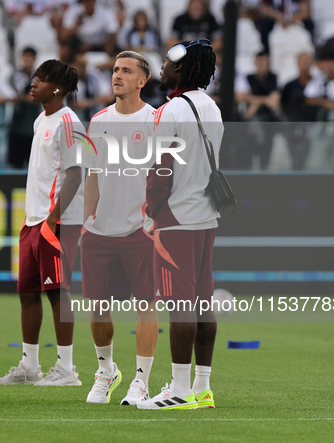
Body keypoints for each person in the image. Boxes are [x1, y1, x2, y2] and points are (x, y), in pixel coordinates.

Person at [137, 39, 222, 411]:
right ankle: (202, 387)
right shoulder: (212, 108)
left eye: (170, 62)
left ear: (183, 70)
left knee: (179, 306)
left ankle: (179, 389)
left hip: (176, 216)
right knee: (202, 302)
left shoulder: (171, 110)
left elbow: (159, 172)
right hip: (206, 215)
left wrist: (151, 213)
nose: (163, 67)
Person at [0, 59, 84, 386]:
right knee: (27, 292)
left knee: (58, 291)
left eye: (41, 79)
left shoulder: (69, 122)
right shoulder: (41, 120)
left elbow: (75, 174)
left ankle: (67, 369)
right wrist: (35, 220)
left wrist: (53, 220)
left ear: (57, 88)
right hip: (34, 221)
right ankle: (30, 367)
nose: (33, 83)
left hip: (57, 222)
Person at [82, 51, 158, 405]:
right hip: (100, 232)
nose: (117, 75)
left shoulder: (156, 120)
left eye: (126, 71)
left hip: (140, 231)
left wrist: (157, 225)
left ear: (142, 81)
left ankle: (141, 381)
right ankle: (106, 371)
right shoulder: (98, 121)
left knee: (147, 306)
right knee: (97, 307)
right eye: (115, 70)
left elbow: (166, 178)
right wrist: (86, 222)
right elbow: (92, 175)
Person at [236, 51, 281, 170]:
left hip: (269, 119)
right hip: (253, 119)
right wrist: (264, 100)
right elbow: (242, 96)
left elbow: (274, 100)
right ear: (255, 62)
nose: (262, 64)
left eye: (264, 62)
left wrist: (255, 101)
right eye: (259, 61)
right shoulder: (249, 77)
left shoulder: (272, 77)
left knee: (267, 147)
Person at [280, 52, 317, 169]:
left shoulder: (318, 83)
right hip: (294, 128)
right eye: (303, 62)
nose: (306, 65)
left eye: (308, 61)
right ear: (297, 64)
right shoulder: (290, 85)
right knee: (295, 161)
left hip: (314, 128)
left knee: (312, 162)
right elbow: (283, 106)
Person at [8, 47, 43, 169]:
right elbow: (11, 94)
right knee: (15, 163)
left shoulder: (40, 77)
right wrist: (25, 98)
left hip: (34, 124)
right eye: (25, 57)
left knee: (33, 164)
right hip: (17, 123)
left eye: (30, 57)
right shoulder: (15, 76)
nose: (27, 61)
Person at [69, 53, 113, 122]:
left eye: (84, 66)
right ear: (72, 65)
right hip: (78, 117)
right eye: (80, 66)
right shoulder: (69, 79)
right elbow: (75, 104)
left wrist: (89, 102)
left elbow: (109, 97)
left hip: (94, 113)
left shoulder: (92, 74)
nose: (83, 69)